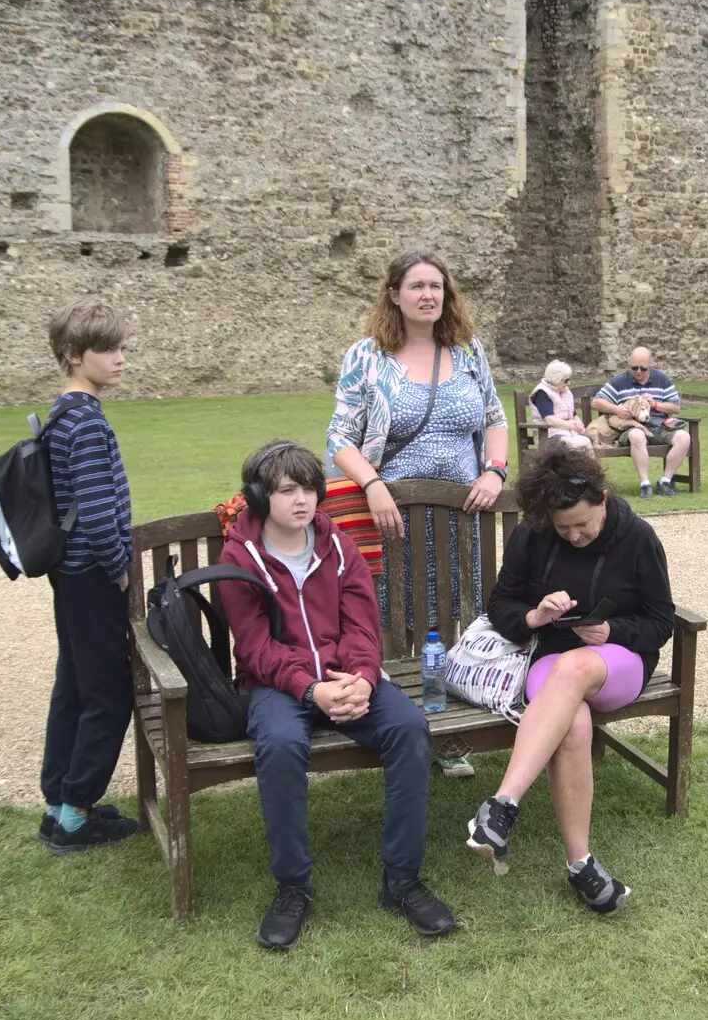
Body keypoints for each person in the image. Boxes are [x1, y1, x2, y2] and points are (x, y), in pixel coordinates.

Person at [219, 440, 458, 950]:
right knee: (281, 745)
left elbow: (363, 626)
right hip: (279, 685)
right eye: (286, 491)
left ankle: (401, 880)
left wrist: (365, 679)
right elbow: (256, 647)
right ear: (259, 498)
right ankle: (293, 886)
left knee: (410, 729)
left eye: (308, 488)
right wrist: (311, 689)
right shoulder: (240, 557)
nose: (301, 501)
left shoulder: (337, 544)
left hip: (347, 676)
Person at [465, 442, 674, 914]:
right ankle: (581, 865)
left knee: (576, 666)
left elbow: (661, 622)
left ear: (602, 499)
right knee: (572, 724)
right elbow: (501, 605)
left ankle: (502, 805)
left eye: (583, 524)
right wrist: (535, 616)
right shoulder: (533, 535)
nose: (575, 536)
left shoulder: (638, 538)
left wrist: (612, 630)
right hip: (548, 661)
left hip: (616, 664)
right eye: (565, 529)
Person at [326, 247, 510, 781]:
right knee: (384, 616)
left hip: (457, 514)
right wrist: (373, 483)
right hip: (390, 517)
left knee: (447, 614)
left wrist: (494, 471)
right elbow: (340, 438)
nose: (428, 295)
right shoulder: (366, 356)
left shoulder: (469, 350)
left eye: (436, 286)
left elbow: (495, 418)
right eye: (416, 286)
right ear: (394, 295)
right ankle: (391, 729)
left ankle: (447, 733)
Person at [39, 296, 144, 854]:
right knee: (109, 693)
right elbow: (99, 514)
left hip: (69, 574)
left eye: (123, 347)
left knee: (75, 687)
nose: (120, 359)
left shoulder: (63, 413)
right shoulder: (83, 422)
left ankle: (59, 803)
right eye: (108, 349)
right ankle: (75, 819)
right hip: (91, 575)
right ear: (74, 355)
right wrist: (121, 574)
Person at [591, 346, 691, 498]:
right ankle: (645, 484)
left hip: (658, 427)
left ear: (651, 364)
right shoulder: (619, 381)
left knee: (684, 437)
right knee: (637, 435)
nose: (638, 371)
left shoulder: (662, 379)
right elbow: (596, 402)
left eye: (643, 368)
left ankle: (665, 481)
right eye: (634, 367)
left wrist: (655, 404)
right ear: (629, 364)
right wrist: (617, 409)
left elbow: (675, 407)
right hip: (630, 428)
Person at [528, 360, 592, 449]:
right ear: (556, 379)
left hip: (569, 434)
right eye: (566, 380)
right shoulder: (542, 393)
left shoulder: (566, 392)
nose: (568, 383)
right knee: (575, 445)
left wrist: (578, 424)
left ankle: (592, 463)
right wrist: (570, 425)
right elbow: (550, 419)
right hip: (548, 435)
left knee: (587, 442)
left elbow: (573, 415)